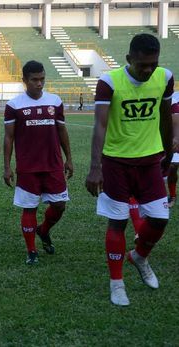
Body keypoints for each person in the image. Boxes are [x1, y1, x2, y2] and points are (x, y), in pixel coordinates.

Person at [85, 33, 176, 306]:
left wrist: (169, 151)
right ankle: (117, 283)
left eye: (153, 64)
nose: (148, 70)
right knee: (118, 222)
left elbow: (164, 115)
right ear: (129, 59)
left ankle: (138, 256)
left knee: (160, 219)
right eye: (142, 65)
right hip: (116, 162)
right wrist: (94, 167)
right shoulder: (109, 82)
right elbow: (100, 125)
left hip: (150, 161)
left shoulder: (165, 77)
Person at [3, 60, 73, 265]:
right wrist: (7, 167)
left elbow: (62, 130)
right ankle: (31, 251)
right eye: (34, 80)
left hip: (53, 164)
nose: (39, 84)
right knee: (29, 208)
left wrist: (69, 158)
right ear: (24, 80)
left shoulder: (55, 101)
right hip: (28, 167)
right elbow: (9, 138)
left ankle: (43, 230)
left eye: (42, 79)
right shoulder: (14, 105)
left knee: (59, 205)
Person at [166, 92, 179, 207]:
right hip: (173, 136)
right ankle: (172, 196)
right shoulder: (174, 97)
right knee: (172, 166)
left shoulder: (173, 99)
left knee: (173, 166)